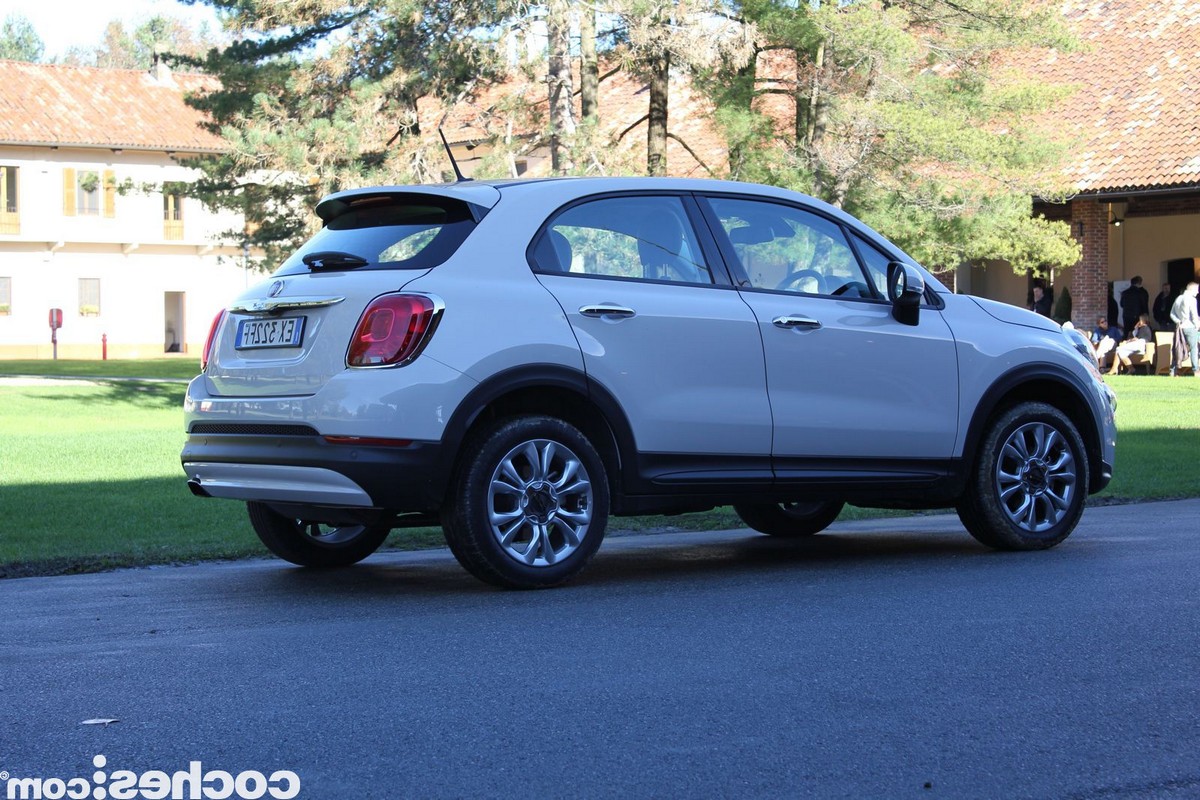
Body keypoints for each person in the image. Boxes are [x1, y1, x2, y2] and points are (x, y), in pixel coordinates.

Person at [1169, 282, 1200, 376]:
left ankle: (1173, 370)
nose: (1198, 292)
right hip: (1190, 327)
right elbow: (1194, 314)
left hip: (1180, 327)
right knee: (1194, 348)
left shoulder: (1178, 298)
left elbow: (1171, 313)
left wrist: (1178, 322)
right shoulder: (1192, 299)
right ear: (1192, 289)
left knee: (1178, 347)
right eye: (1197, 290)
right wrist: (1197, 325)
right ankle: (1196, 370)